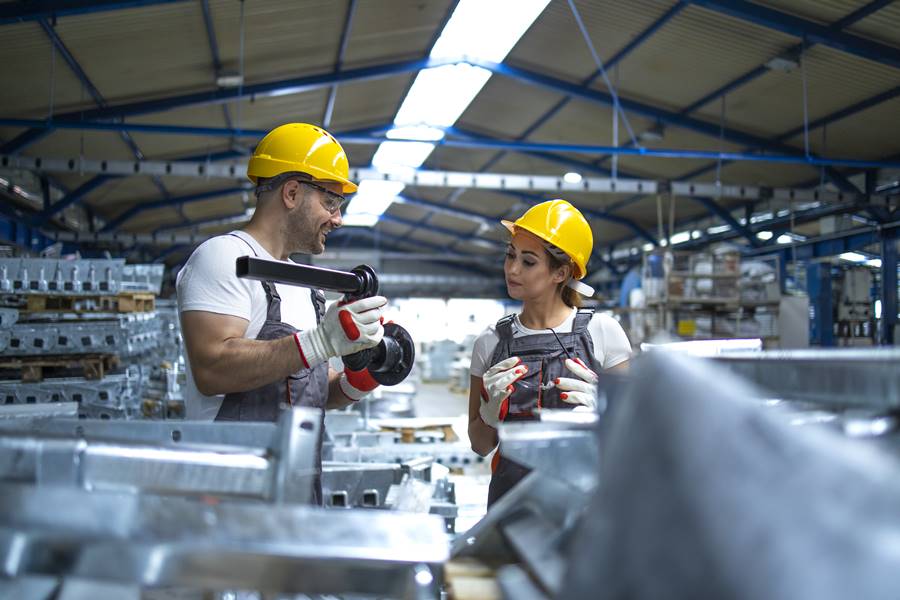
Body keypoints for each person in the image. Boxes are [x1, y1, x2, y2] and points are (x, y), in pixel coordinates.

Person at [176, 123, 386, 501]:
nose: (338, 219)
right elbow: (212, 367)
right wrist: (320, 341)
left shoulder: (306, 287)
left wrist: (368, 371)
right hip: (230, 498)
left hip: (295, 494)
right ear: (291, 193)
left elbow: (315, 390)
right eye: (331, 203)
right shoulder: (224, 257)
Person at [467, 199, 632, 506]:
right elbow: (480, 445)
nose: (512, 269)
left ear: (561, 273)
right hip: (510, 506)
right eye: (510, 255)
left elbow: (631, 447)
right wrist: (489, 416)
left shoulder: (604, 333)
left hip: (584, 506)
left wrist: (606, 415)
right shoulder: (489, 342)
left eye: (528, 262)